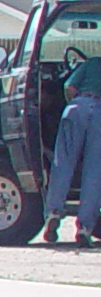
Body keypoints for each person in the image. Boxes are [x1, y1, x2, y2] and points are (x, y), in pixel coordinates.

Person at [39, 49, 101, 245]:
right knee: (94, 172)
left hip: (77, 108)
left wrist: (73, 103)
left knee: (62, 163)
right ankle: (84, 228)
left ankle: (53, 213)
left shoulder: (91, 63)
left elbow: (69, 86)